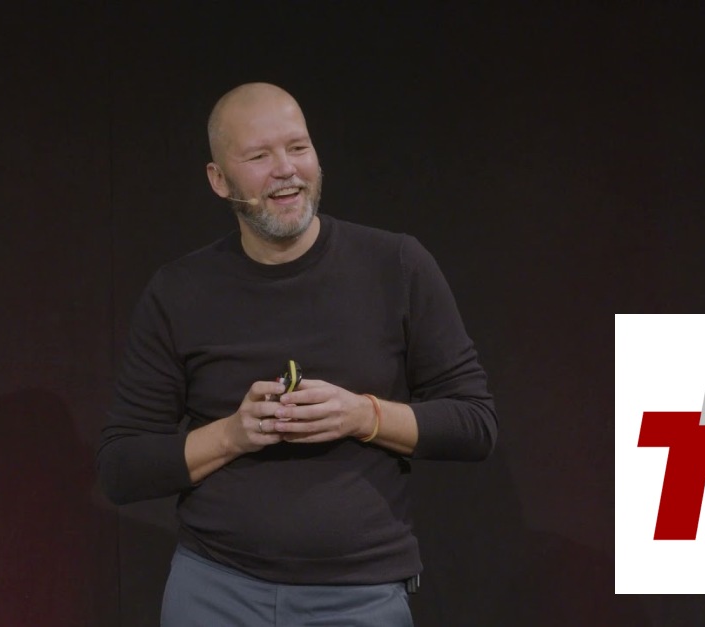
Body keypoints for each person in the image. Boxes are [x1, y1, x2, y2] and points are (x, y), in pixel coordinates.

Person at [97, 82, 497, 627]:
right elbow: (122, 468)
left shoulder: (396, 266)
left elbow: (475, 424)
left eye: (298, 147)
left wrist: (362, 416)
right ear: (219, 179)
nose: (285, 169)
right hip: (215, 591)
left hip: (360, 596)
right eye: (259, 156)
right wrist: (233, 434)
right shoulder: (180, 291)